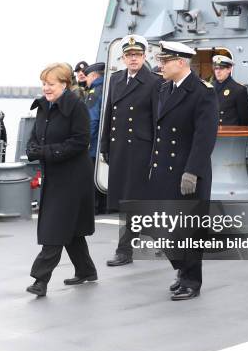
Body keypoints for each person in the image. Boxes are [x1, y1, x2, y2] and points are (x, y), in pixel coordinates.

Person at [149, 41, 218, 301]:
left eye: (165, 61)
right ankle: (181, 268)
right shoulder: (164, 89)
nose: (160, 65)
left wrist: (192, 171)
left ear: (181, 62)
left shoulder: (203, 92)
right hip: (163, 171)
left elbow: (205, 137)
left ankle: (191, 280)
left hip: (188, 173)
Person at [25, 63, 97, 297]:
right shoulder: (43, 107)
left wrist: (45, 152)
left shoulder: (76, 107)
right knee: (72, 229)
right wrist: (33, 148)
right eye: (44, 83)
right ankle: (86, 271)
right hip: (54, 176)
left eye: (51, 84)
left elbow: (79, 141)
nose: (46, 88)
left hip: (73, 178)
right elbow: (35, 136)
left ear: (65, 84)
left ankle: (40, 279)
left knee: (56, 228)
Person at [100, 34, 161, 266]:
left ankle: (124, 250)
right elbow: (109, 113)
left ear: (144, 56)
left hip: (141, 150)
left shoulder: (154, 82)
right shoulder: (116, 79)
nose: (133, 59)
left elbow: (158, 122)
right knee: (128, 201)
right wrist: (105, 145)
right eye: (129, 55)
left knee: (134, 202)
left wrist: (156, 153)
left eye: (137, 54)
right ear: (123, 58)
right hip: (119, 149)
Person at [83, 62, 107, 214]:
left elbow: (92, 119)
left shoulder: (95, 91)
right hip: (103, 141)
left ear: (93, 76)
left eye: (87, 77)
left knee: (93, 175)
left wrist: (86, 141)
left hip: (94, 143)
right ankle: (103, 206)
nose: (85, 81)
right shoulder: (107, 87)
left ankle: (94, 208)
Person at [212, 55, 248, 126]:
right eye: (216, 68)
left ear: (229, 69)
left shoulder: (239, 90)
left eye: (221, 68)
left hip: (229, 134)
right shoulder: (209, 87)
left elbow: (244, 119)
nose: (218, 71)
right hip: (211, 132)